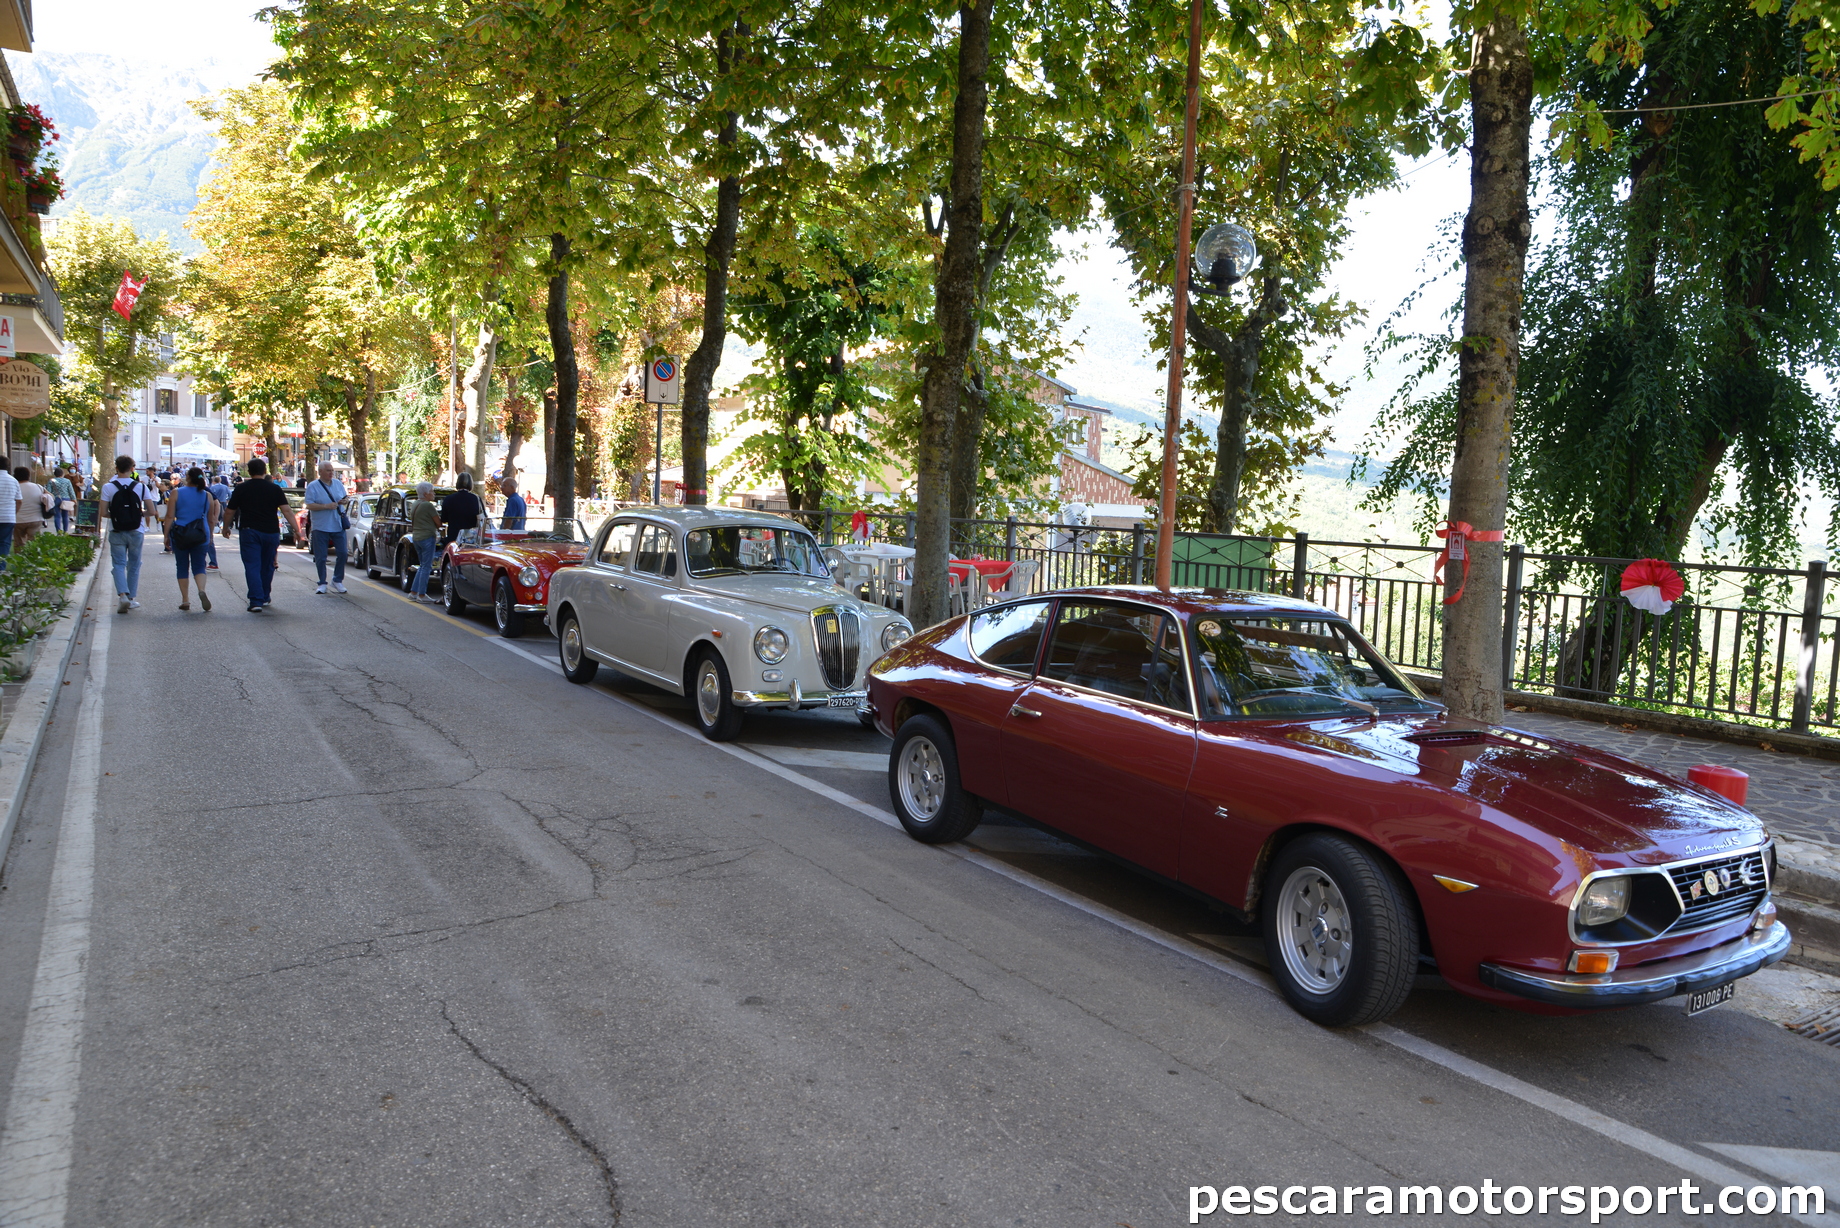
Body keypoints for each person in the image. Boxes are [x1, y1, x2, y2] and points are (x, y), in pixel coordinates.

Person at [224, 457, 290, 613]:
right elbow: (286, 510)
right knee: (267, 565)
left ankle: (256, 600)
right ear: (265, 471)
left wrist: (225, 527)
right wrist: (298, 531)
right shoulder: (275, 489)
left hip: (249, 531)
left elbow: (230, 511)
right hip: (271, 531)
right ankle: (265, 595)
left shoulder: (241, 488)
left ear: (249, 471)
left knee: (252, 565)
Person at [102, 456, 157, 612]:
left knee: (118, 564)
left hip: (116, 530)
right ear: (132, 469)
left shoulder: (108, 487)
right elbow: (151, 511)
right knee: (134, 564)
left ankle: (122, 596)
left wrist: (118, 516)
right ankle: (131, 598)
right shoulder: (141, 487)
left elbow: (103, 512)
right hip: (136, 530)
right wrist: (137, 515)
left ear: (116, 468)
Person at [163, 467, 218, 612]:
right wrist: (211, 535)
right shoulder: (207, 495)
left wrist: (166, 535)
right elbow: (211, 519)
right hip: (201, 533)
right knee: (199, 565)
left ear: (187, 478)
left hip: (180, 533)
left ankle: (185, 600)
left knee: (182, 566)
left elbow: (170, 516)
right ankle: (201, 590)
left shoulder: (176, 493)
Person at [304, 460, 349, 595]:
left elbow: (345, 498)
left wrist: (344, 501)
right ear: (320, 472)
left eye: (332, 470)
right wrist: (325, 506)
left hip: (338, 524)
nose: (331, 473)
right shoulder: (313, 486)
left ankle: (337, 580)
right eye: (328, 470)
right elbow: (309, 505)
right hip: (320, 526)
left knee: (343, 553)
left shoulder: (338, 484)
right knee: (321, 557)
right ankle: (322, 583)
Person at [409, 480, 441, 603]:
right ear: (426, 493)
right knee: (426, 567)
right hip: (427, 537)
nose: (433, 494)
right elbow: (438, 523)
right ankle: (422, 595)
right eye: (432, 491)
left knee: (422, 566)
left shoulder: (415, 504)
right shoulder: (428, 505)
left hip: (416, 537)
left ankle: (413, 592)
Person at [440, 469, 482, 546]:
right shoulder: (475, 498)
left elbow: (444, 519)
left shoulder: (448, 498)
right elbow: (481, 516)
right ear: (470, 483)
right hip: (470, 536)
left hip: (454, 535)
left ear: (457, 483)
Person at [13, 467, 45, 547]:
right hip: (36, 519)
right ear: (28, 476)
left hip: (18, 520)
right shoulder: (38, 487)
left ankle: (20, 554)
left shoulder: (14, 487)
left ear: (15, 476)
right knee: (35, 544)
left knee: (19, 543)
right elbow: (51, 497)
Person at [205, 471, 231, 570]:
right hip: (222, 503)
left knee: (208, 539)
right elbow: (230, 494)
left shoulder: (211, 488)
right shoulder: (225, 487)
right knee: (220, 520)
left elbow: (213, 499)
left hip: (212, 508)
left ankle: (208, 562)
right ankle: (213, 562)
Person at [46, 466, 75, 534]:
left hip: (56, 499)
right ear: (62, 474)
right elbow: (71, 491)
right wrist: (74, 499)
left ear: (54, 474)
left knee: (57, 516)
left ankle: (58, 531)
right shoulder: (67, 481)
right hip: (66, 499)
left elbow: (48, 491)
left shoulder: (51, 481)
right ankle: (65, 531)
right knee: (65, 515)